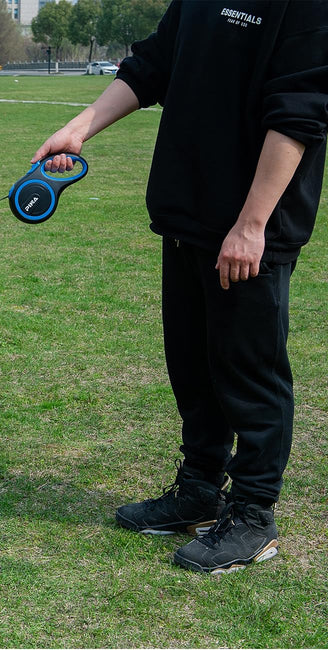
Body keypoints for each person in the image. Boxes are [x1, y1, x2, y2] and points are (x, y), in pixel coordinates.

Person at [32, 0, 327, 574]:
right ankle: (198, 490)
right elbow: (152, 65)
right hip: (187, 212)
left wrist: (251, 224)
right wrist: (79, 127)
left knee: (250, 374)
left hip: (251, 227)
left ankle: (252, 514)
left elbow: (299, 113)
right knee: (193, 366)